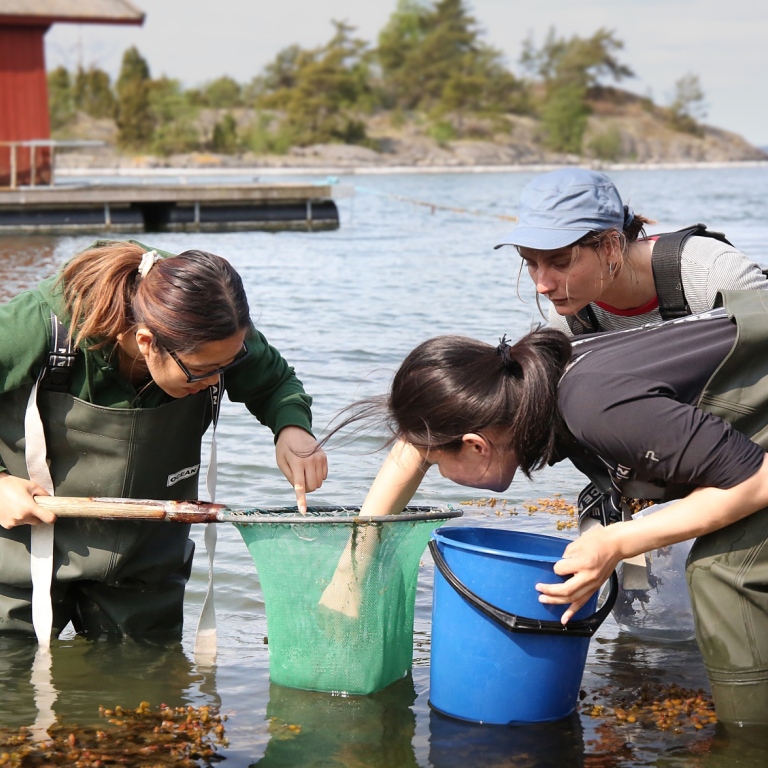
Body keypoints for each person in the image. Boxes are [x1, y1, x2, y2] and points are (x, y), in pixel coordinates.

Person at [352, 289, 768, 726]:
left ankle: (746, 738)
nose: (430, 467)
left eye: (437, 463)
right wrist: (354, 566)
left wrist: (616, 542)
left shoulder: (592, 406)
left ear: (476, 445)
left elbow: (758, 480)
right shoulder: (527, 386)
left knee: (720, 571)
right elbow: (414, 443)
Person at [0, 240, 327, 639]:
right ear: (145, 342)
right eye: (201, 371)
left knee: (148, 684)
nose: (215, 380)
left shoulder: (216, 329)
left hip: (146, 566)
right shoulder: (37, 326)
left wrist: (292, 429)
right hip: (21, 555)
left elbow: (275, 383)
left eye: (228, 366)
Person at [494, 167, 768, 335]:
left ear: (611, 246)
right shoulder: (571, 320)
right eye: (530, 263)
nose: (542, 285)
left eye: (562, 262)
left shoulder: (715, 276)